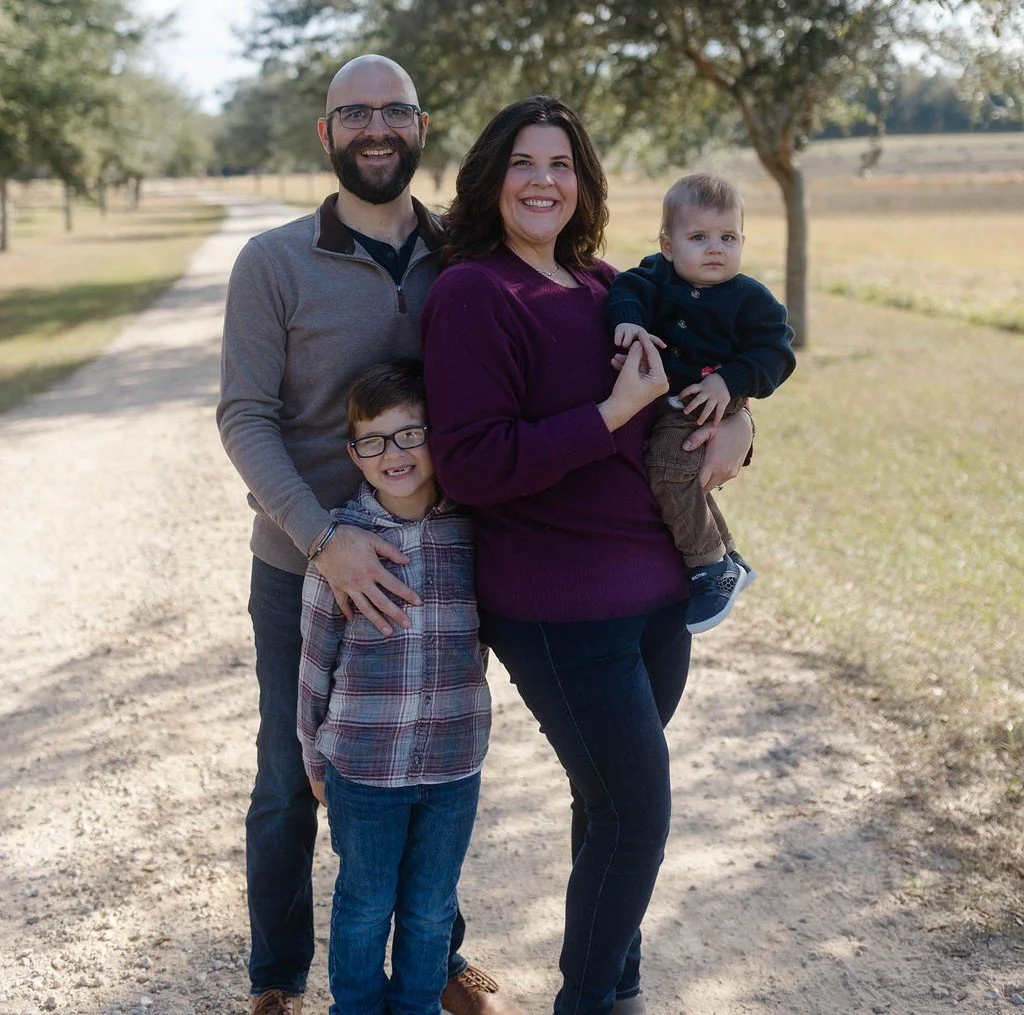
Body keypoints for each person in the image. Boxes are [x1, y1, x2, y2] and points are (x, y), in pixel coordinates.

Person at [420, 97, 755, 1015]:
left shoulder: (609, 284)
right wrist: (606, 415)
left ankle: (620, 991)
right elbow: (476, 464)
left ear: (585, 182)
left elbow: (701, 377)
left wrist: (743, 420)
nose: (543, 180)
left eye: (561, 163)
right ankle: (594, 1003)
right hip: (559, 607)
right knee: (636, 814)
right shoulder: (472, 293)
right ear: (492, 179)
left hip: (658, 601)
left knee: (609, 812)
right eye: (524, 162)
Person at [217, 54, 518, 1015]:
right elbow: (244, 417)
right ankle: (277, 978)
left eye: (394, 111)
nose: (375, 128)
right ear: (327, 134)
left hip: (443, 560)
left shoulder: (468, 255)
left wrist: (729, 404)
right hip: (302, 562)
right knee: (290, 777)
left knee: (429, 754)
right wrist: (322, 540)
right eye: (355, 113)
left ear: (422, 126)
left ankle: (437, 953)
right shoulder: (273, 261)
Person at [298, 359, 490, 1015]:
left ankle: (417, 1006)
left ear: (439, 436)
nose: (394, 453)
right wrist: (311, 754)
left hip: (453, 760)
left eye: (410, 433)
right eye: (375, 440)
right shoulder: (343, 545)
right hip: (363, 764)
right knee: (364, 901)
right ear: (355, 453)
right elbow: (315, 661)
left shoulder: (474, 530)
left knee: (432, 904)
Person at [606, 173, 796, 634]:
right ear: (668, 245)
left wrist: (731, 384)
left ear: (743, 241)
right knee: (679, 475)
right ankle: (728, 553)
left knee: (670, 471)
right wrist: (629, 323)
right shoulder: (657, 275)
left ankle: (709, 565)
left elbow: (777, 352)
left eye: (727, 237)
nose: (716, 249)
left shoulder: (750, 298)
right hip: (673, 401)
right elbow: (626, 288)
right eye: (699, 237)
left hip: (711, 402)